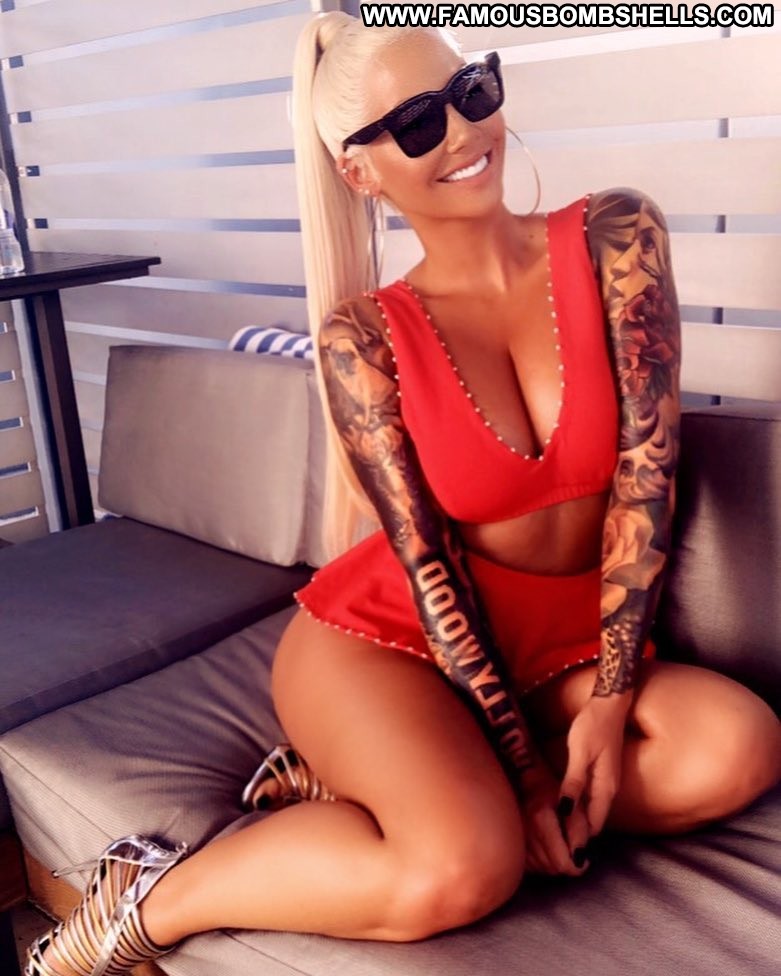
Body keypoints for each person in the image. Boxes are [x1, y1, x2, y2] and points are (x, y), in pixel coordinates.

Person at [26, 12, 781, 976]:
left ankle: (385, 783)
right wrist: (521, 780)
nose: (463, 132)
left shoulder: (613, 235)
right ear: (360, 170)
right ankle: (150, 897)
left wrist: (612, 691)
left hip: (567, 644)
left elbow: (648, 469)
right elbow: (427, 571)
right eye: (418, 123)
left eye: (472, 92)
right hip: (393, 640)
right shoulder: (363, 339)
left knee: (733, 748)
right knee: (462, 870)